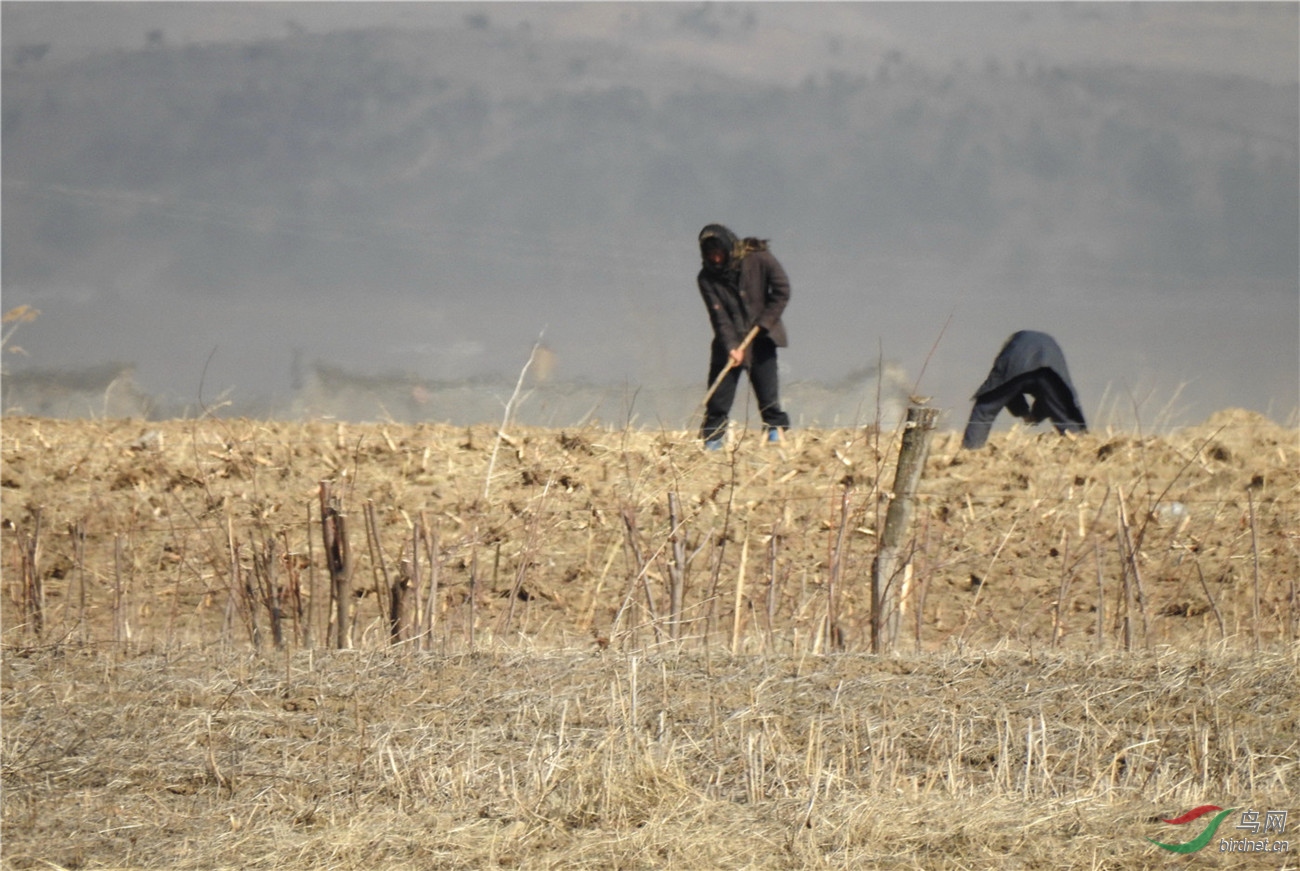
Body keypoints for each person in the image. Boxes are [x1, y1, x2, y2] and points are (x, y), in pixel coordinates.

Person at [696, 223, 792, 448]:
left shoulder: (759, 259)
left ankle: (774, 434)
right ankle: (713, 440)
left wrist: (764, 322)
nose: (716, 259)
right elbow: (718, 316)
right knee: (719, 395)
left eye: (719, 254)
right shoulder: (706, 278)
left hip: (762, 336)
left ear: (728, 248)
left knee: (767, 393)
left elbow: (782, 290)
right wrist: (731, 345)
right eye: (711, 255)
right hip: (728, 340)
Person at [961, 330, 1087, 449]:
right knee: (1066, 415)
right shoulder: (1048, 344)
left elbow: (1006, 387)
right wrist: (1031, 415)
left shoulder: (1013, 345)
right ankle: (1081, 448)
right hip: (1050, 369)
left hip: (1016, 361)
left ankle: (971, 449)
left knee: (984, 410)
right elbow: (1051, 400)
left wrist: (1025, 414)